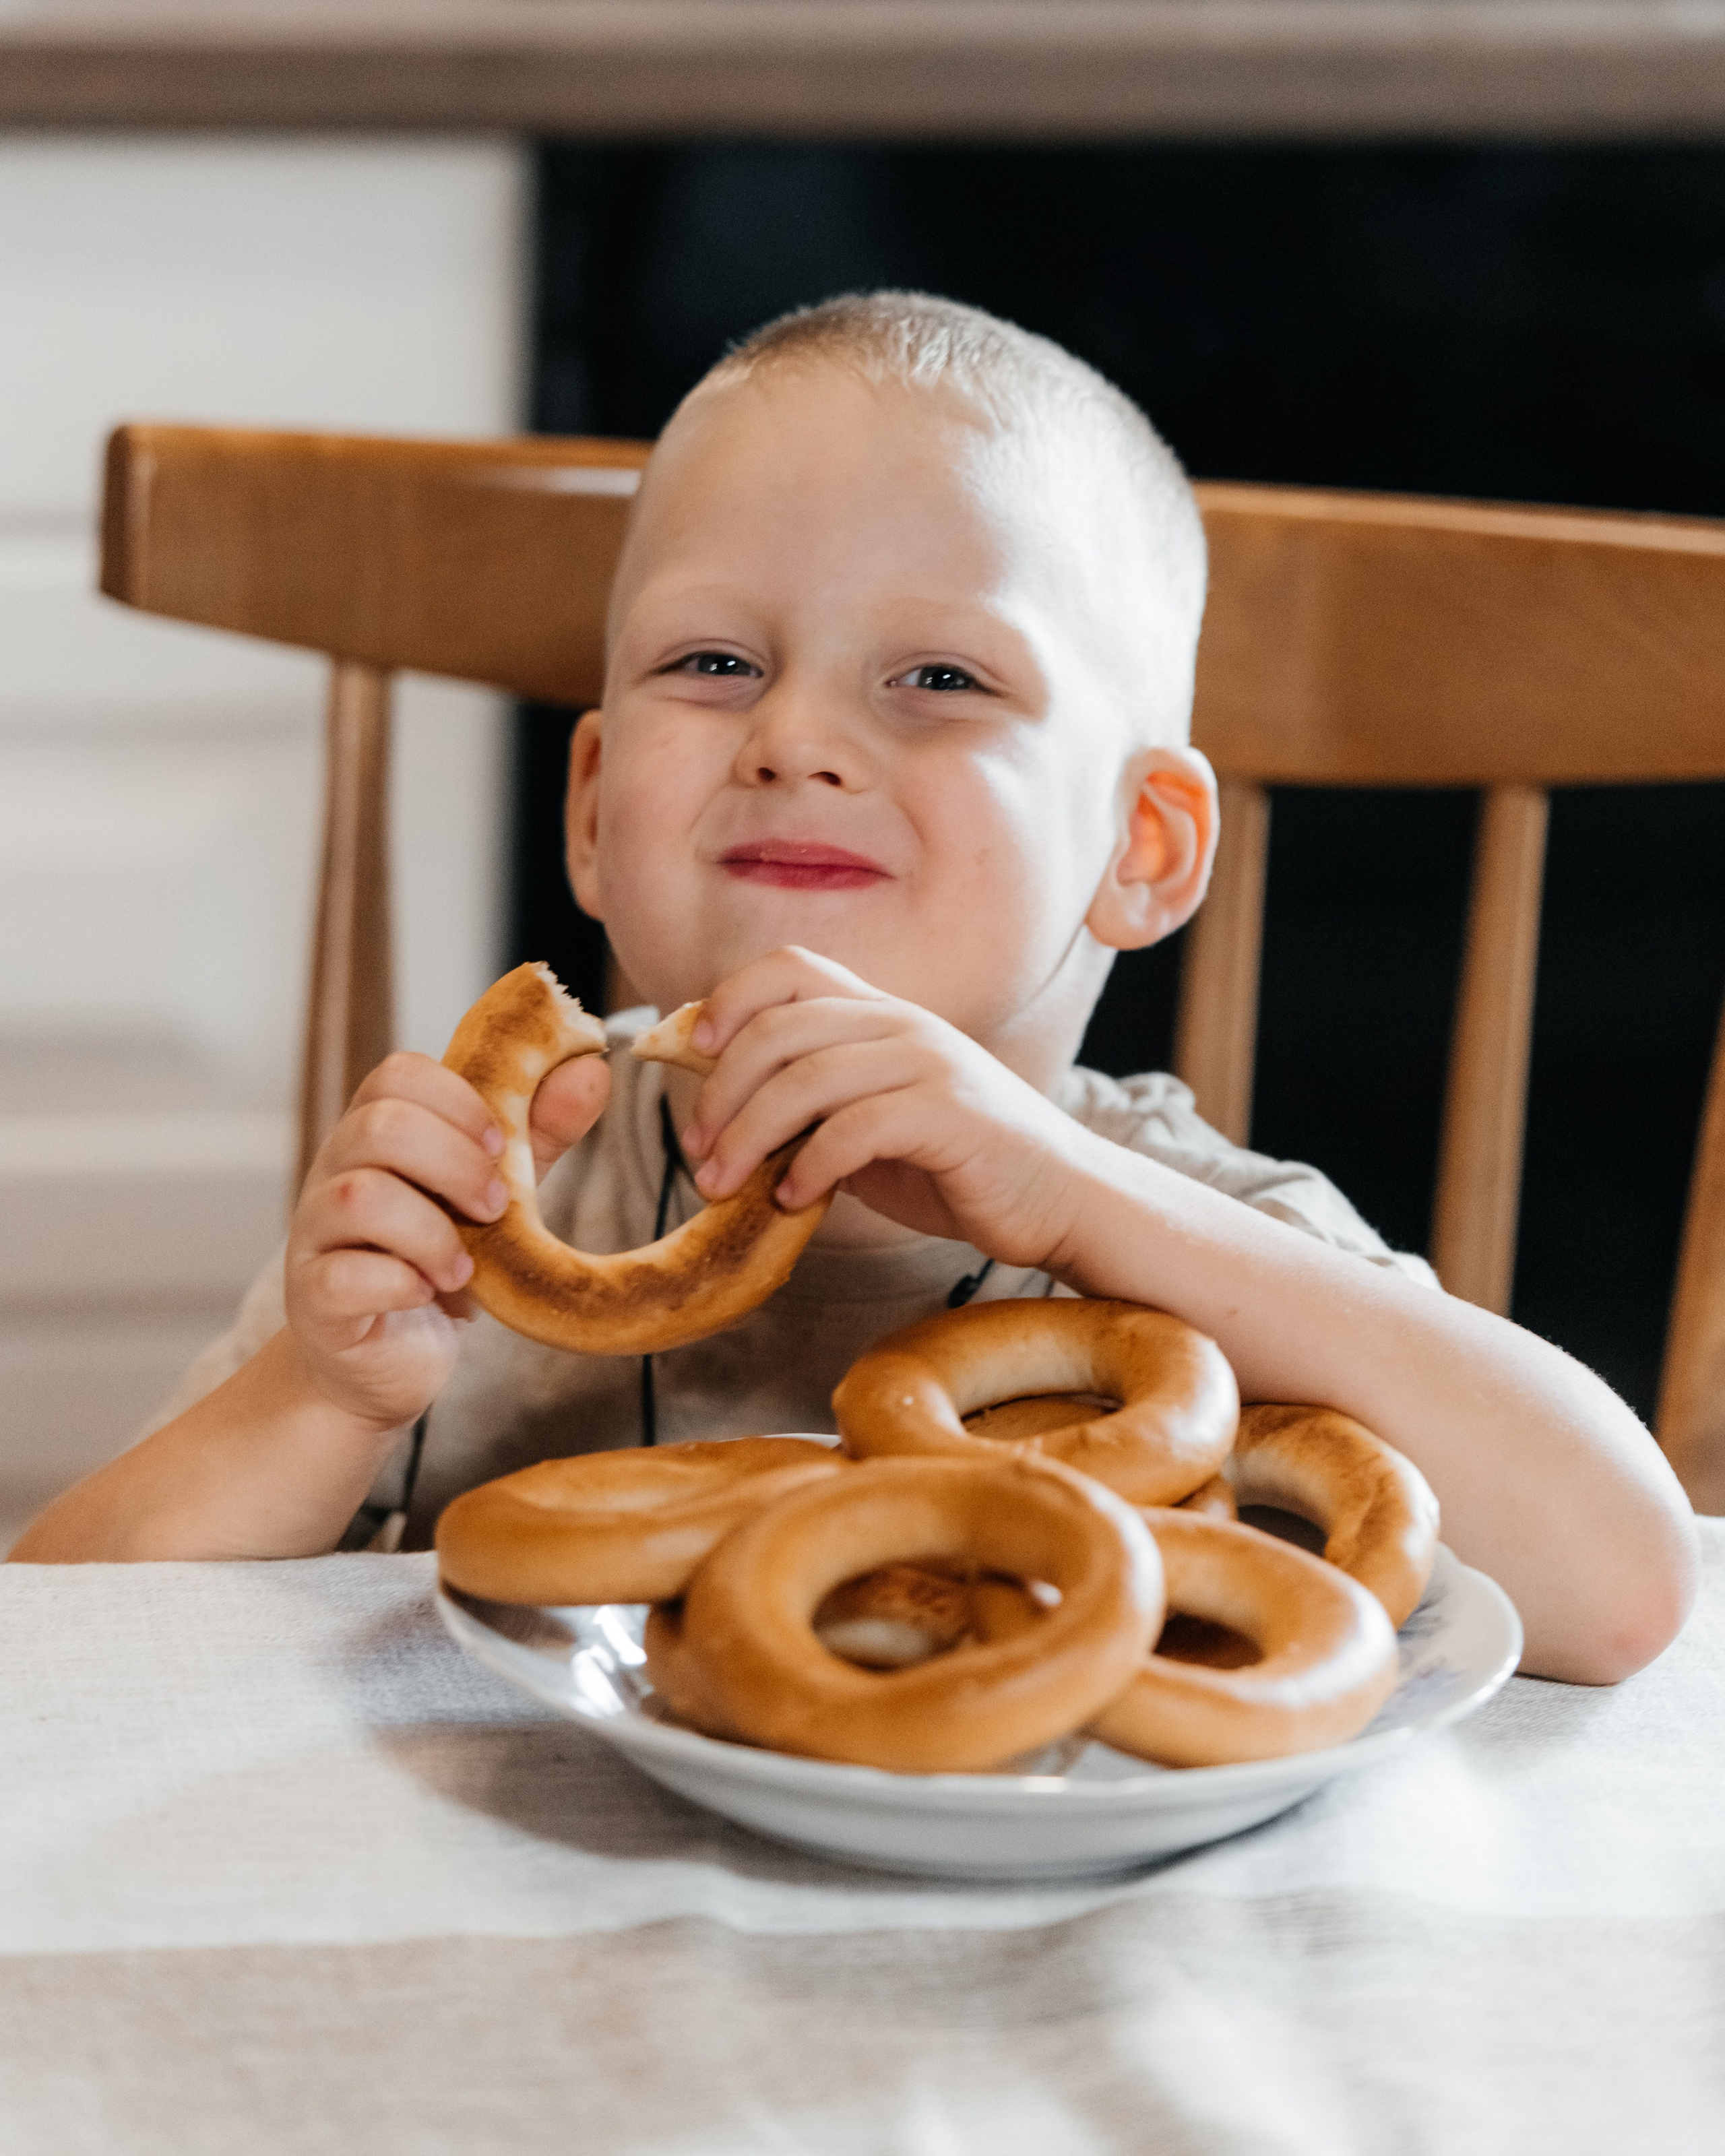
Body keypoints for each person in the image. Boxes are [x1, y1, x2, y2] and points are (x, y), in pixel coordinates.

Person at [11, 292, 1695, 1684]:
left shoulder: (1201, 1247)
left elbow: (1621, 1589)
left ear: (1142, 846)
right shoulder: (471, 1218)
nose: (794, 737)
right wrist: (320, 1397)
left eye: (940, 676)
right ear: (591, 812)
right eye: (713, 662)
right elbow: (60, 1649)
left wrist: (1073, 1198)